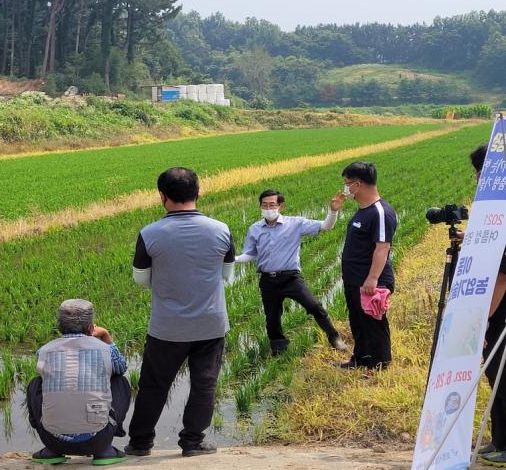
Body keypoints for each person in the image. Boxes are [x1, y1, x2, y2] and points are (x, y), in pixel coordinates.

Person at [126, 167, 235, 457]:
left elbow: (141, 280)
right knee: (204, 385)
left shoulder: (149, 234)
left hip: (167, 327)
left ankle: (139, 443)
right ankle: (192, 443)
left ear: (162, 196)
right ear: (199, 192)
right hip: (210, 325)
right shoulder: (221, 229)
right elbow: (226, 274)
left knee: (154, 385)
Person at [236, 189, 348, 355]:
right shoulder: (255, 229)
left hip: (290, 278)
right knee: (272, 316)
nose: (268, 208)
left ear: (281, 206)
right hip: (268, 280)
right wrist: (234, 258)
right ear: (260, 206)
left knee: (314, 306)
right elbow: (250, 254)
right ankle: (279, 346)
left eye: (272, 205)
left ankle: (334, 337)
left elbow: (326, 226)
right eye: (265, 205)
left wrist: (333, 211)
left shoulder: (295, 223)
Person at [26, 299, 130, 466]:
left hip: (52, 440)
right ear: (91, 328)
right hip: (99, 439)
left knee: (36, 383)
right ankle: (105, 451)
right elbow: (121, 368)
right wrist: (106, 337)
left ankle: (51, 452)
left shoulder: (44, 351)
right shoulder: (104, 349)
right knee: (120, 381)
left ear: (59, 326)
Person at [466, 144, 506, 466]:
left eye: (481, 173)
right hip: (498, 307)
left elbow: (503, 278)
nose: (478, 179)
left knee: (503, 376)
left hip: (502, 310)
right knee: (496, 377)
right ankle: (498, 439)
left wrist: (486, 320)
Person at [337, 161, 396, 370]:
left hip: (371, 280)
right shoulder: (363, 210)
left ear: (358, 184)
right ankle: (361, 358)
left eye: (347, 183)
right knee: (358, 321)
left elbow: (383, 247)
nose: (346, 188)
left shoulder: (379, 211)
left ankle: (380, 364)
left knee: (374, 323)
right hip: (355, 279)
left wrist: (372, 278)